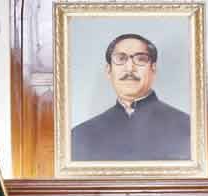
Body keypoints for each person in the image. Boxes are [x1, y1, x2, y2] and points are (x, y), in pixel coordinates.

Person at [71, 33, 191, 161]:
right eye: (121, 59)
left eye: (140, 59)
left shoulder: (188, 128)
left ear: (153, 69)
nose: (129, 69)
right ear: (108, 71)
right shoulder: (81, 135)